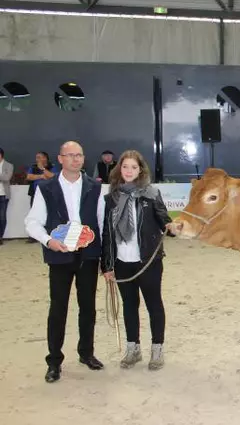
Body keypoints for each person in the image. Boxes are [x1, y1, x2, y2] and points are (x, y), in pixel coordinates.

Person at [24, 141, 106, 383]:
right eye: (70, 155)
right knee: (58, 308)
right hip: (59, 255)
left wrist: (106, 257)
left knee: (88, 307)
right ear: (60, 159)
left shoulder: (95, 187)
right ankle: (54, 361)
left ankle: (86, 353)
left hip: (89, 255)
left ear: (83, 158)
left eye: (79, 155)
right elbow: (32, 222)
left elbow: (102, 223)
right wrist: (49, 241)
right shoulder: (46, 187)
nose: (75, 159)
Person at [102, 150, 173, 370]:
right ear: (119, 169)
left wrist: (172, 227)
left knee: (154, 305)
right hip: (123, 262)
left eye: (134, 167)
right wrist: (107, 265)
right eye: (125, 167)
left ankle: (157, 350)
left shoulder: (151, 194)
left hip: (148, 261)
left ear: (140, 169)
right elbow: (107, 233)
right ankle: (133, 349)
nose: (129, 171)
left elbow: (164, 220)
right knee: (129, 306)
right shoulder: (112, 197)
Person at [0, 148, 13, 245]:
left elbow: (6, 178)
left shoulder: (9, 165)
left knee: (2, 217)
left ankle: (0, 236)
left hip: (3, 195)